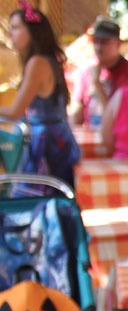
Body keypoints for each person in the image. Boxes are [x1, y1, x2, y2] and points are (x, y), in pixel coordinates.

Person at [0, 5, 80, 191]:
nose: (11, 33)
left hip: (47, 143)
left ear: (33, 32)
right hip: (56, 138)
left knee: (38, 200)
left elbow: (14, 111)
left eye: (16, 27)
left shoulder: (38, 62)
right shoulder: (46, 60)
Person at [69, 16, 128, 128]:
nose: (98, 47)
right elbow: (77, 105)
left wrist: (96, 83)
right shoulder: (85, 68)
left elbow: (117, 116)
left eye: (104, 42)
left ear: (118, 45)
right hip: (90, 135)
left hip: (116, 136)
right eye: (95, 41)